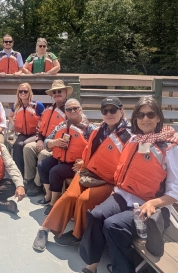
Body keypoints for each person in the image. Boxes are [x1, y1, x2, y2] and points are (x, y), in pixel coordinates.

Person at [78, 96, 178, 273]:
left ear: (159, 117)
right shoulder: (134, 140)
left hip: (152, 205)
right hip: (123, 195)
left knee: (113, 225)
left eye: (150, 115)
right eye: (140, 114)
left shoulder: (172, 148)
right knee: (95, 215)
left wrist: (153, 203)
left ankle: (122, 269)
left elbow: (175, 193)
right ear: (135, 117)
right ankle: (91, 266)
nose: (145, 119)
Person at [33, 97, 132, 252]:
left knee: (84, 200)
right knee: (69, 196)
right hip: (87, 172)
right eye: (105, 110)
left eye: (113, 110)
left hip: (108, 181)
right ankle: (44, 229)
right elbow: (88, 152)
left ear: (122, 111)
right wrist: (82, 163)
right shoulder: (100, 130)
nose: (109, 113)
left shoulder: (129, 136)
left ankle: (78, 234)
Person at [38, 99, 95, 216]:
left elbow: (97, 150)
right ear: (66, 112)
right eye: (69, 109)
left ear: (80, 109)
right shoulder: (61, 125)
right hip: (61, 157)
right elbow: (46, 141)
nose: (72, 111)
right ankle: (49, 195)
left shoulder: (90, 129)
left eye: (75, 108)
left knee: (55, 172)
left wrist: (84, 162)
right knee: (42, 166)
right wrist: (54, 143)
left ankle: (54, 202)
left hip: (76, 163)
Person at [23, 80, 71, 197]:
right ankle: (29, 180)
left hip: (58, 145)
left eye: (60, 91)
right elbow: (40, 127)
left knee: (43, 154)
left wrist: (52, 143)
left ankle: (38, 185)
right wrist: (39, 139)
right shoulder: (48, 109)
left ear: (65, 92)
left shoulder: (70, 110)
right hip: (44, 140)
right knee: (28, 148)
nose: (57, 93)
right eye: (54, 92)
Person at [8, 82, 45, 176]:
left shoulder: (37, 105)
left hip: (35, 134)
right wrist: (13, 123)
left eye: (25, 91)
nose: (23, 93)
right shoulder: (16, 105)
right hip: (23, 133)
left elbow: (45, 118)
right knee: (17, 145)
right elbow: (10, 116)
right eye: (21, 91)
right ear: (18, 93)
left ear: (29, 92)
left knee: (25, 144)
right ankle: (19, 173)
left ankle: (29, 174)